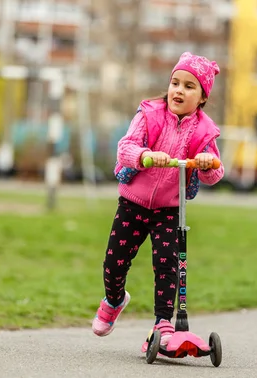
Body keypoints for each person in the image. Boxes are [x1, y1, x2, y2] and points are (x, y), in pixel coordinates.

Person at [91, 52, 225, 348]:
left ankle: (163, 324)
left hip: (169, 209)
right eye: (175, 82)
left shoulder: (203, 130)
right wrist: (145, 156)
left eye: (189, 86)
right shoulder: (150, 113)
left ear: (202, 97)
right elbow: (125, 148)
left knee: (167, 264)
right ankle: (114, 300)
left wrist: (206, 161)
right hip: (133, 203)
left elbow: (216, 173)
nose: (179, 90)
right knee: (114, 262)